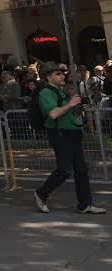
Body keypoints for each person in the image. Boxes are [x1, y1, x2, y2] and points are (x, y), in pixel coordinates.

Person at [33, 62, 107, 215]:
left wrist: (77, 104)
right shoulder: (46, 93)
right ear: (48, 77)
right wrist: (70, 104)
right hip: (60, 134)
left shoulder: (62, 91)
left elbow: (68, 109)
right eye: (58, 74)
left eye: (62, 73)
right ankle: (41, 193)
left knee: (81, 170)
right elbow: (53, 113)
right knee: (64, 170)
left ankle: (85, 204)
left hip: (73, 133)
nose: (63, 75)